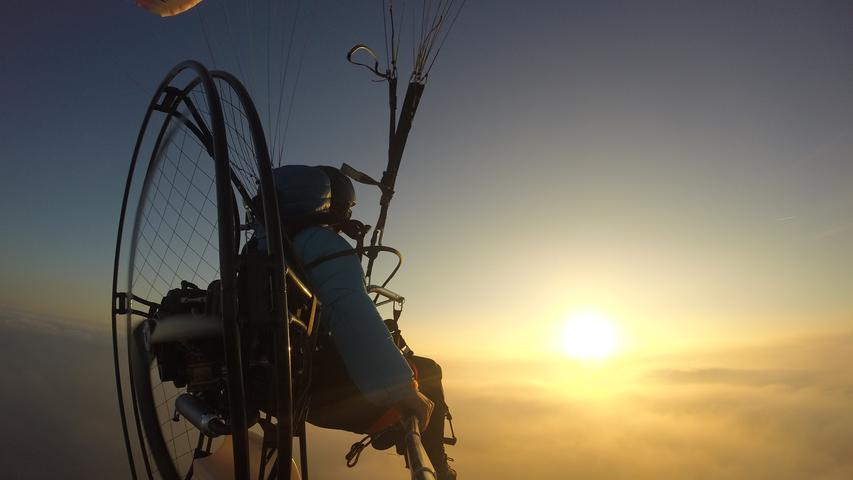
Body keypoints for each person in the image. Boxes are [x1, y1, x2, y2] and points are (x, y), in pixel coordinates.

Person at [266, 165, 457, 479]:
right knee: (430, 372)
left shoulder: (269, 245)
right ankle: (436, 465)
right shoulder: (319, 245)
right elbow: (348, 310)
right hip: (322, 393)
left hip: (285, 385)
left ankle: (392, 431)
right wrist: (400, 390)